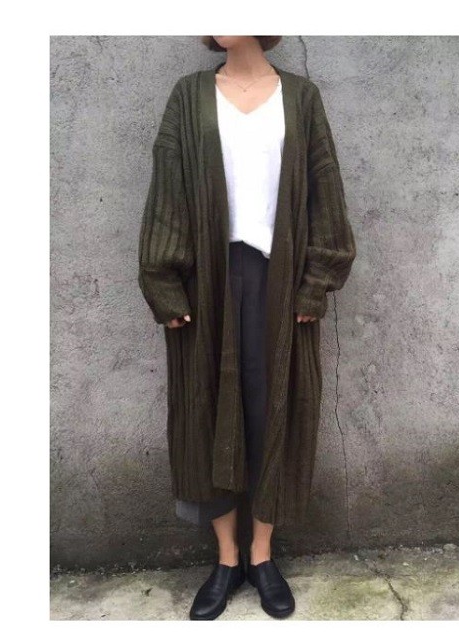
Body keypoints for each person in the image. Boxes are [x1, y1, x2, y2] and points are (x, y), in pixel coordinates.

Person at [138, 35, 356, 620]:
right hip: (205, 281)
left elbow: (325, 192)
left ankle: (262, 555)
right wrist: (163, 281)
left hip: (279, 281)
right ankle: (226, 559)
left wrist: (316, 281)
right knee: (206, 411)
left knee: (274, 409)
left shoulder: (301, 98)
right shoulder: (189, 96)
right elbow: (166, 192)